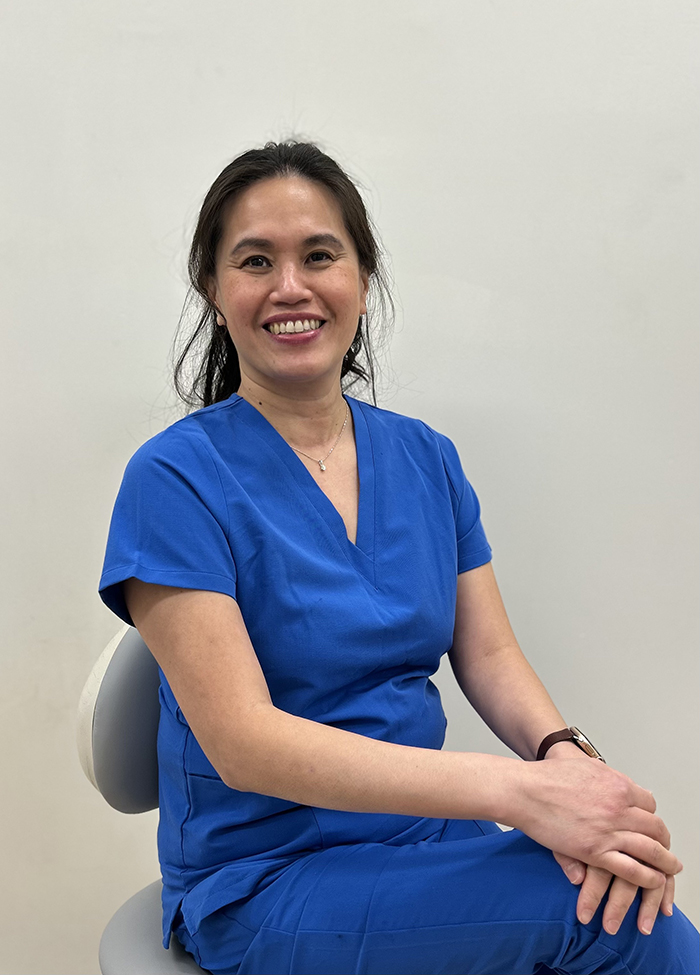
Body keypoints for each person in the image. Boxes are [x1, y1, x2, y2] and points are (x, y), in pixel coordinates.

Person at [99, 141, 699, 975]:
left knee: (626, 881)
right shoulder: (173, 480)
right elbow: (245, 744)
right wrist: (516, 793)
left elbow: (487, 653)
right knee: (621, 924)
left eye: (319, 255)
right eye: (255, 260)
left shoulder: (426, 459)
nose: (290, 286)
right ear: (213, 286)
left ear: (362, 278)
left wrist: (564, 758)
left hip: (426, 836)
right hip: (269, 878)